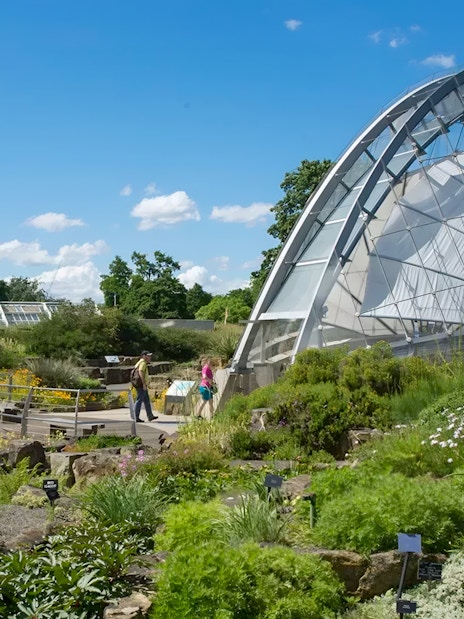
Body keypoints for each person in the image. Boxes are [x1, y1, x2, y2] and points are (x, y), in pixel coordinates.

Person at [134, 351, 158, 422]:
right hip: (141, 385)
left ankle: (150, 415)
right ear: (144, 356)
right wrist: (144, 383)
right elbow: (141, 372)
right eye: (148, 356)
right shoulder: (143, 363)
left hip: (139, 384)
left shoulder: (139, 362)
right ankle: (136, 417)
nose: (149, 357)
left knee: (146, 400)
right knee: (139, 400)